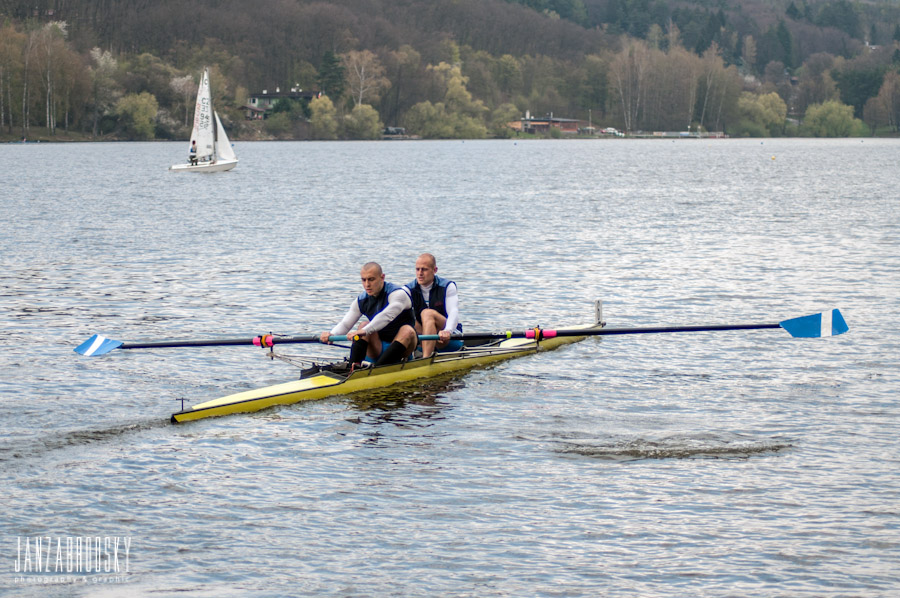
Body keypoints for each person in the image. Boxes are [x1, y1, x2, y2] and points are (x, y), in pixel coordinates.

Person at [320, 262, 418, 368]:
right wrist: (332, 335)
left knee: (407, 330)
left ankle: (378, 370)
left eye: (371, 279)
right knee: (364, 324)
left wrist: (364, 331)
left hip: (403, 348)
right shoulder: (361, 300)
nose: (367, 284)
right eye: (364, 280)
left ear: (382, 277)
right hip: (377, 347)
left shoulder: (398, 294)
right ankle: (353, 367)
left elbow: (386, 316)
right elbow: (345, 324)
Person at [406, 253, 463, 358]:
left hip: (447, 337)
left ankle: (425, 358)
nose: (420, 273)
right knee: (404, 316)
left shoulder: (447, 286)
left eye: (424, 269)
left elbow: (453, 312)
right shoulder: (408, 289)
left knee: (427, 313)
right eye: (417, 269)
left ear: (435, 270)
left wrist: (447, 330)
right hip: (423, 337)